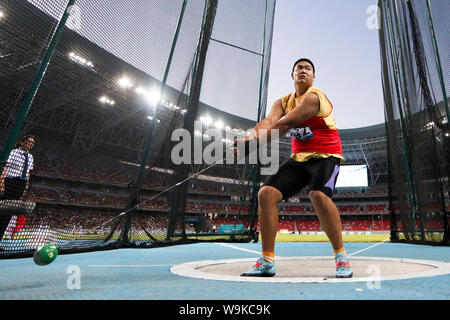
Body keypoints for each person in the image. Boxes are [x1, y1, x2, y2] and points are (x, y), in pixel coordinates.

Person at [237, 58, 353, 278]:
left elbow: (286, 124)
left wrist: (253, 144)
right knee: (266, 194)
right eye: (299, 68)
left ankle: (341, 256)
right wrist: (246, 140)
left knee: (318, 194)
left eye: (308, 69)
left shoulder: (314, 97)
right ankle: (267, 260)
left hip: (326, 157)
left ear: (313, 77)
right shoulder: (282, 102)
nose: (303, 70)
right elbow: (269, 121)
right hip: (299, 159)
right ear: (292, 75)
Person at [0, 135, 35, 241]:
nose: (30, 144)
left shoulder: (31, 157)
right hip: (9, 182)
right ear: (23, 142)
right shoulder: (13, 152)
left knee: (9, 213)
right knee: (1, 209)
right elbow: (5, 167)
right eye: (28, 141)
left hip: (20, 184)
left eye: (32, 143)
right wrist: (1, 183)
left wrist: (25, 188)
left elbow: (28, 174)